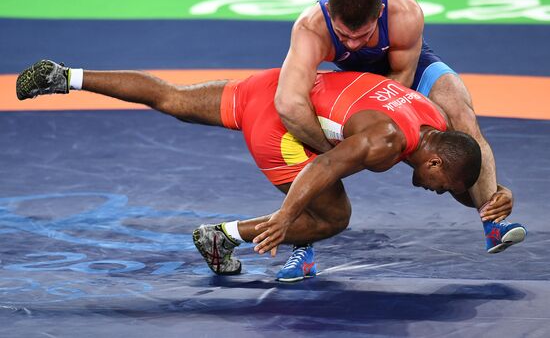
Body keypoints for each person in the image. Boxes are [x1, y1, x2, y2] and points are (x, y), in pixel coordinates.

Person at [16, 60, 526, 281]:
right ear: (434, 160)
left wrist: (489, 196)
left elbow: (462, 165)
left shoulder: (428, 116)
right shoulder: (387, 141)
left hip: (278, 86)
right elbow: (325, 165)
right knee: (331, 217)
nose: (438, 193)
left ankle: (68, 76)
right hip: (279, 128)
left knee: (171, 97)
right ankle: (224, 236)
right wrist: (286, 216)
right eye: (443, 187)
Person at [272, 0, 515, 279]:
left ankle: (492, 218)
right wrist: (331, 146)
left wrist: (380, 126)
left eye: (361, 36)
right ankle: (302, 246)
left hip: (404, 75)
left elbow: (402, 77)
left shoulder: (403, 11)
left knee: (460, 113)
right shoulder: (311, 27)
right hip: (348, 82)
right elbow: (288, 103)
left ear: (379, 14)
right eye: (343, 36)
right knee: (303, 140)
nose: (351, 44)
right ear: (330, 17)